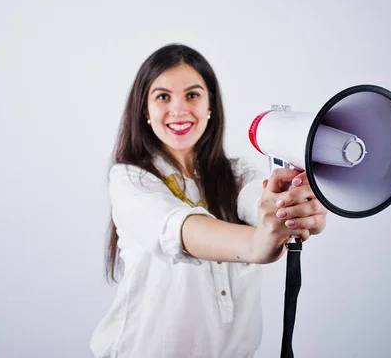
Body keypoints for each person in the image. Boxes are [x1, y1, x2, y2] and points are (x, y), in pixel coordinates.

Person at [90, 43, 328, 358]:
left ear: (210, 106)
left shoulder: (239, 174)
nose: (178, 109)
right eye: (163, 96)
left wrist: (297, 206)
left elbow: (261, 201)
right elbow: (179, 229)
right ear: (144, 111)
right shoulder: (130, 179)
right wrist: (257, 243)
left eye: (192, 95)